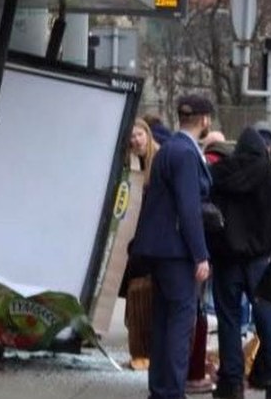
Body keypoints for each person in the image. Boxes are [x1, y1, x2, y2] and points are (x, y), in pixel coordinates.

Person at [132, 96, 214, 399]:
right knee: (180, 324)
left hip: (159, 249)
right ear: (205, 120)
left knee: (164, 322)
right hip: (177, 252)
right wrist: (200, 254)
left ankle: (160, 389)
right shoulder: (186, 154)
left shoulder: (167, 149)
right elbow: (188, 208)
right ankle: (171, 391)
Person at [206, 127, 271, 399]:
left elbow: (209, 213)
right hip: (260, 260)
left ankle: (231, 381)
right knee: (267, 320)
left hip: (226, 258)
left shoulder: (220, 174)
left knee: (229, 320)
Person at [120, 118, 160, 371]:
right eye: (132, 137)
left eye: (139, 135)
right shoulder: (131, 164)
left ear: (147, 134)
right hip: (134, 241)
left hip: (151, 240)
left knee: (146, 296)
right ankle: (140, 350)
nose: (136, 140)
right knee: (136, 297)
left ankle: (148, 351)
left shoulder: (159, 161)